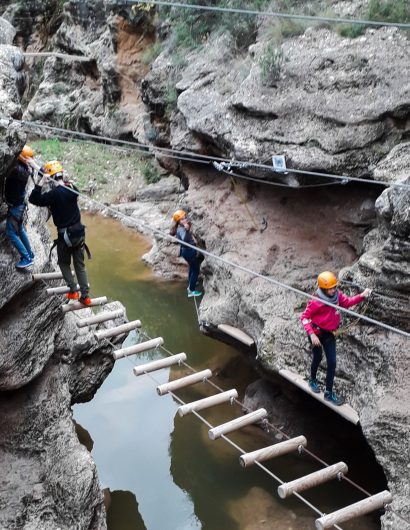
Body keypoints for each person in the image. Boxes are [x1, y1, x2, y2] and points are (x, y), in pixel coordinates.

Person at [300, 271, 371, 406]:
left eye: (334, 287)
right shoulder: (316, 302)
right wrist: (311, 334)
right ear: (323, 289)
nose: (333, 290)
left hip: (328, 334)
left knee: (332, 362)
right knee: (318, 357)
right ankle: (312, 380)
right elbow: (304, 317)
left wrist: (362, 296)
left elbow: (348, 303)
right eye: (330, 289)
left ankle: (328, 392)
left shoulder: (337, 296)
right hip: (316, 333)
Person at [29, 160, 92, 305]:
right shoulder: (72, 188)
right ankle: (86, 296)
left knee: (63, 263)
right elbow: (65, 187)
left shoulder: (53, 195)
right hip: (79, 234)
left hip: (65, 237)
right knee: (80, 266)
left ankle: (73, 290)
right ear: (61, 175)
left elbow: (34, 198)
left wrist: (41, 182)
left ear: (50, 178)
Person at [4, 145, 35, 269]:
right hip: (20, 205)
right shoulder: (24, 168)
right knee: (20, 230)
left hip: (16, 207)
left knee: (11, 232)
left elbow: (6, 169)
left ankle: (26, 258)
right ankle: (30, 253)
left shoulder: (16, 169)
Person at [170, 209, 202, 297]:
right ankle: (191, 291)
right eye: (182, 219)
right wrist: (187, 230)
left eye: (184, 218)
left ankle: (191, 282)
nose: (184, 220)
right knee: (196, 270)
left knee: (192, 267)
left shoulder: (179, 228)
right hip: (189, 251)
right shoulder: (182, 229)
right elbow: (185, 240)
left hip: (186, 251)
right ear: (178, 221)